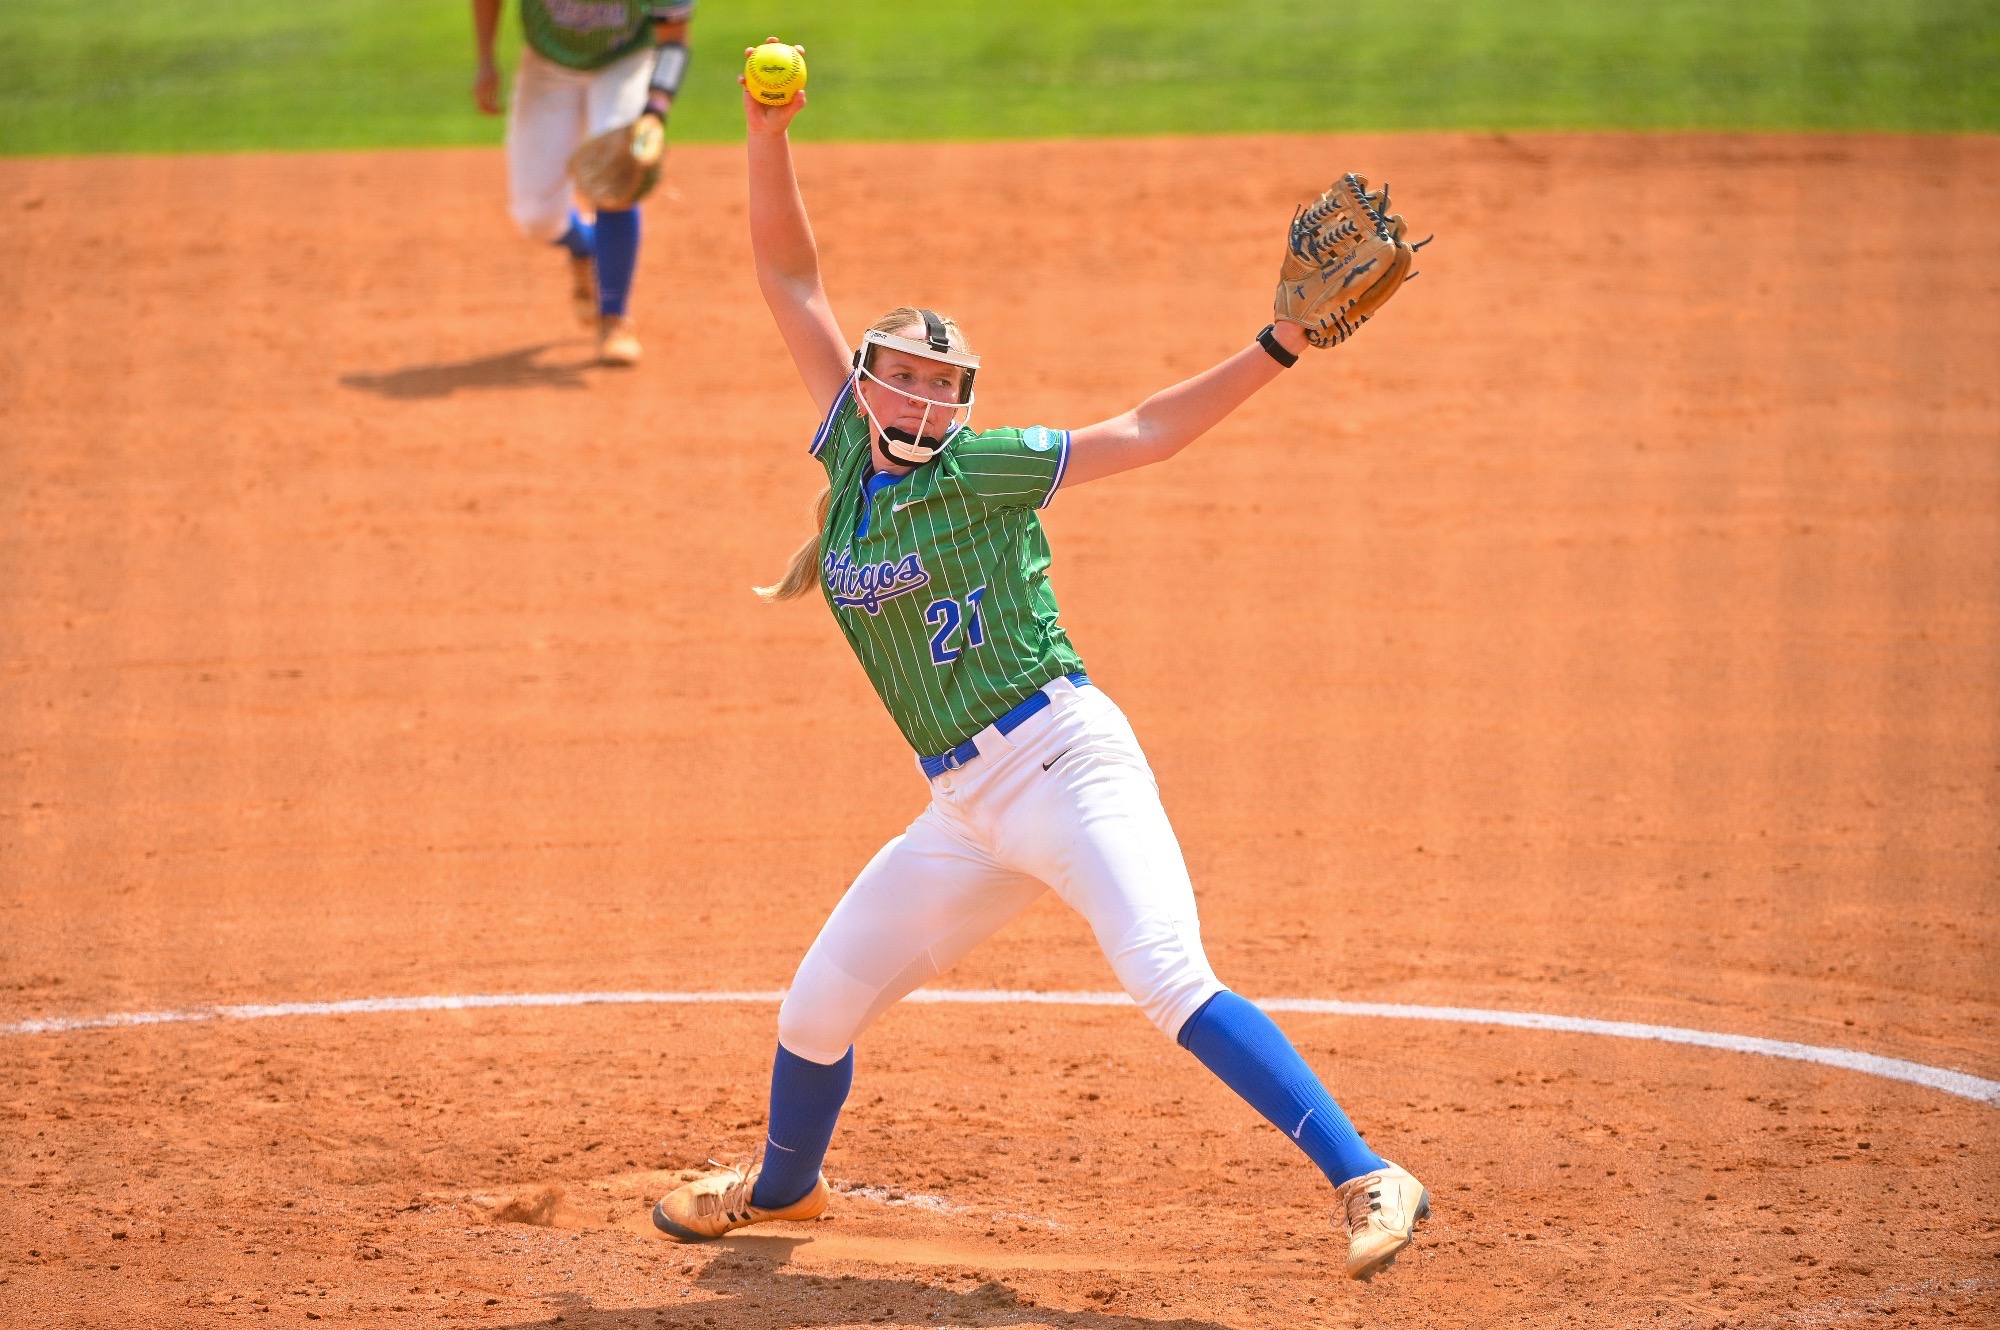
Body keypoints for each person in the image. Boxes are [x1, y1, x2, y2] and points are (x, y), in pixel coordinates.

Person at [650, 51, 1431, 1283]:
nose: (919, 396)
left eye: (940, 384)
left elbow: (1147, 432)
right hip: (961, 809)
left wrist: (1278, 343)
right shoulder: (849, 459)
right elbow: (787, 273)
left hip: (1064, 760)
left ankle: (1368, 1176)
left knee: (1168, 977)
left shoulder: (987, 468)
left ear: (962, 403)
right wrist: (764, 131)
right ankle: (782, 1189)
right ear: (864, 384)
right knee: (813, 1011)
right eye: (900, 374)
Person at [470, 0, 695, 366]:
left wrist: (655, 111)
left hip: (624, 64)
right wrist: (485, 59)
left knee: (617, 178)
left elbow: (673, 40)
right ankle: (589, 247)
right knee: (535, 217)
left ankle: (615, 318)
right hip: (546, 67)